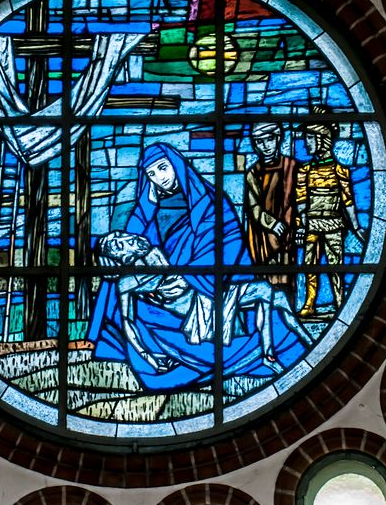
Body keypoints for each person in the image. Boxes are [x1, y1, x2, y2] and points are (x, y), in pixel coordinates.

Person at [86, 143, 307, 390]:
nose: (160, 178)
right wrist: (146, 208)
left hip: (204, 285)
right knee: (114, 285)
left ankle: (265, 353)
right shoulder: (147, 210)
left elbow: (227, 244)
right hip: (165, 297)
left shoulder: (210, 202)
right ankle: (111, 345)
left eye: (163, 168)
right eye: (151, 174)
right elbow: (132, 246)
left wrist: (187, 277)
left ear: (177, 165)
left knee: (268, 302)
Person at [97, 231, 310, 373]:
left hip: (204, 291)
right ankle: (269, 355)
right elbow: (128, 322)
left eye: (120, 235)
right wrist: (150, 359)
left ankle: (304, 344)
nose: (125, 238)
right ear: (120, 258)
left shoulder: (154, 252)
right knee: (264, 290)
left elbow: (184, 271)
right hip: (196, 307)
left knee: (278, 297)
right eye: (118, 244)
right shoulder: (126, 282)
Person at [294, 119, 366, 317]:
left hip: (333, 224)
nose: (306, 143)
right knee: (310, 266)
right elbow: (301, 201)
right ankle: (310, 303)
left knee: (336, 266)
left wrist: (356, 227)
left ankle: (340, 302)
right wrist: (301, 225)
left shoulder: (339, 170)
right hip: (311, 224)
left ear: (323, 140)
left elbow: (348, 201)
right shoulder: (304, 170)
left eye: (310, 138)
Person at [243, 122, 298, 303]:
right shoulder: (253, 173)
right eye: (259, 141)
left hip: (288, 231)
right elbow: (254, 208)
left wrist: (294, 224)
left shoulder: (291, 166)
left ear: (278, 138)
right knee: (266, 282)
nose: (265, 145)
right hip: (263, 235)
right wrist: (272, 224)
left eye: (269, 139)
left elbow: (299, 200)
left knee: (286, 278)